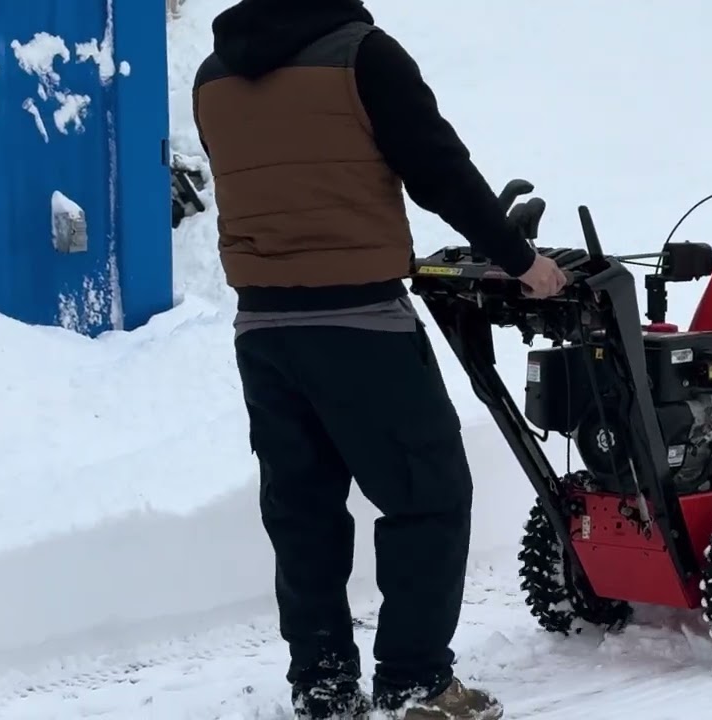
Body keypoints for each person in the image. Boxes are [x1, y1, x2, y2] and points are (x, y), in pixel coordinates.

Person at [190, 0, 567, 718]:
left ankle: (325, 686)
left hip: (263, 331)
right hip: (361, 326)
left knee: (303, 511)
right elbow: (439, 170)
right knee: (429, 497)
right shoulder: (363, 55)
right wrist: (522, 260)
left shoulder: (214, 75)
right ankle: (416, 683)